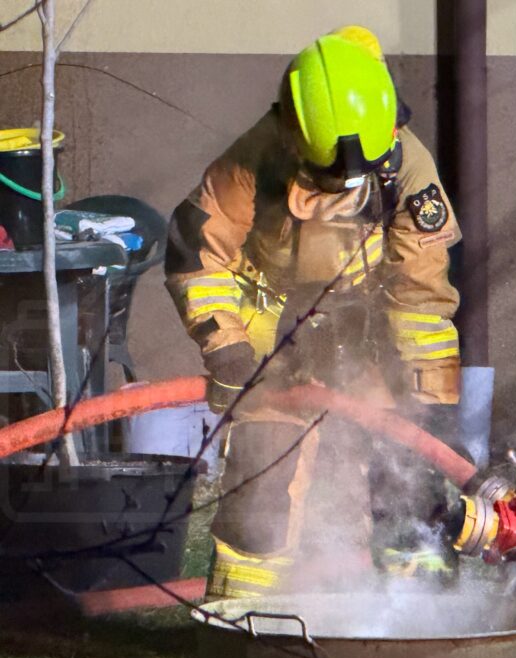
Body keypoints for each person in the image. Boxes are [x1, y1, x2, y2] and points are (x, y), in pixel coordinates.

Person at [164, 27, 462, 600]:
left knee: (409, 476)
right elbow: (197, 254)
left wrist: (431, 407)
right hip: (272, 339)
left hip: (369, 333)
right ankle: (241, 627)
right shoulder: (255, 158)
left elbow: (421, 297)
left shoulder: (408, 169)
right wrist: (227, 346)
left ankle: (419, 622)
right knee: (260, 481)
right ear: (296, 137)